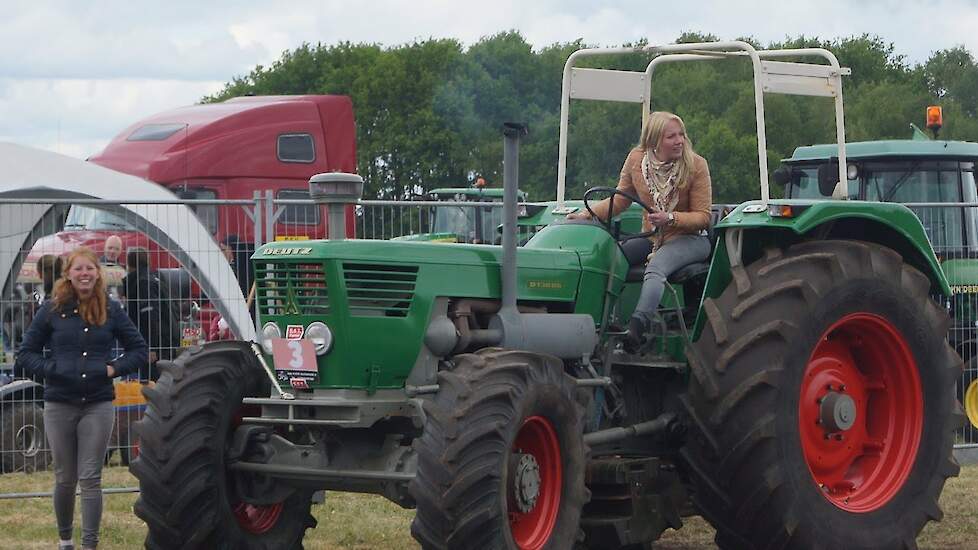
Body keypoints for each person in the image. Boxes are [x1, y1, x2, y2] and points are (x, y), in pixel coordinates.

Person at [14, 247, 147, 550]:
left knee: (91, 477)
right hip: (59, 403)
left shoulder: (112, 310)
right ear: (68, 274)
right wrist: (52, 370)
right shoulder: (52, 309)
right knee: (65, 477)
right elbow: (26, 354)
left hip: (98, 404)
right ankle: (65, 540)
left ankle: (90, 544)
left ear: (97, 273)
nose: (84, 274)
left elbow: (138, 349)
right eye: (78, 269)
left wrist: (113, 368)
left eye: (90, 268)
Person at [568, 111, 713, 349]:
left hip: (689, 238)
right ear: (654, 141)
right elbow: (620, 200)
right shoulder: (637, 160)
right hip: (653, 237)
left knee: (655, 268)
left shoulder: (696, 165)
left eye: (681, 135)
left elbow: (703, 217)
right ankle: (596, 324)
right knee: (610, 258)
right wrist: (586, 214)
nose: (679, 141)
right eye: (671, 137)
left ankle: (636, 330)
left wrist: (671, 218)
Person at [120, 247, 178, 380]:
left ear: (129, 264)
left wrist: (152, 347)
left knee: (152, 381)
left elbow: (151, 317)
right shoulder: (155, 277)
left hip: (155, 343)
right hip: (166, 338)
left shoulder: (143, 283)